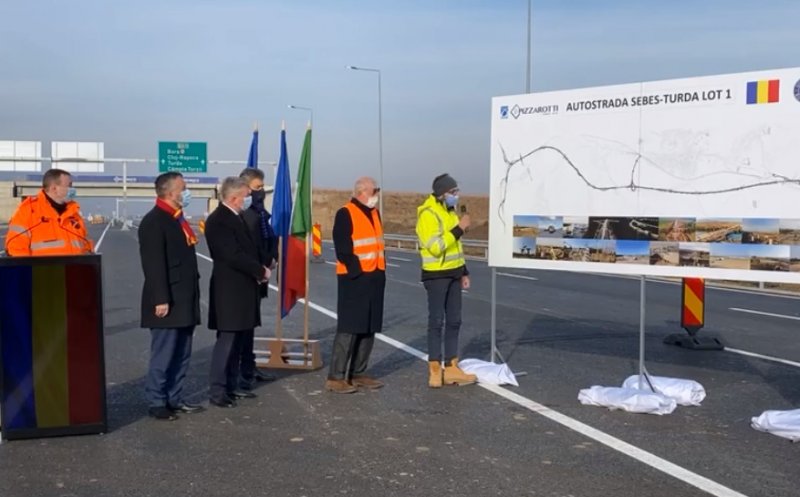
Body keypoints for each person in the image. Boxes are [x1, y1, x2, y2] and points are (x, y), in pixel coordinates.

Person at [138, 172, 204, 420]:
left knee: (181, 354)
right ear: (170, 193)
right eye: (183, 188)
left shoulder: (177, 219)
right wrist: (160, 299)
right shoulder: (155, 221)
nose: (187, 192)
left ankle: (174, 398)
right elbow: (153, 265)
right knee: (164, 354)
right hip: (167, 300)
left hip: (184, 299)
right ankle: (157, 401)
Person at [205, 177, 270, 408]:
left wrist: (264, 263)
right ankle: (218, 390)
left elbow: (247, 249)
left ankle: (232, 386)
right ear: (233, 198)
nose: (246, 200)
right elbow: (232, 254)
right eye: (244, 196)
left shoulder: (237, 217)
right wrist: (259, 269)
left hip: (244, 289)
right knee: (227, 342)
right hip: (230, 291)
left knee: (240, 341)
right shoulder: (219, 221)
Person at [416, 173, 477, 388]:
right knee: (437, 321)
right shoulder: (428, 214)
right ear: (442, 193)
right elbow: (436, 246)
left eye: (456, 191)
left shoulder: (450, 211)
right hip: (436, 275)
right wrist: (460, 228)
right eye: (453, 192)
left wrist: (464, 272)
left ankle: (451, 367)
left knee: (454, 321)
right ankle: (434, 368)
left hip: (453, 273)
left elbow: (456, 249)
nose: (456, 196)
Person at [327, 176, 386, 394]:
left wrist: (379, 272)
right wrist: (357, 271)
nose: (376, 195)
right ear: (362, 192)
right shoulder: (346, 213)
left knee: (369, 327)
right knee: (349, 328)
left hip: (375, 277)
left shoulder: (374, 213)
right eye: (374, 191)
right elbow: (342, 247)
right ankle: (336, 377)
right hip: (355, 279)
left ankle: (359, 373)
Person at [237, 167, 279, 389]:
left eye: (262, 187)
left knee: (250, 326)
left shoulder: (261, 213)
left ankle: (249, 367)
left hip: (261, 274)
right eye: (257, 188)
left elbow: (268, 239)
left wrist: (273, 257)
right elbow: (249, 248)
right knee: (242, 328)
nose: (261, 192)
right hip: (250, 277)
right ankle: (242, 371)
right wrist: (261, 265)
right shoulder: (246, 216)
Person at [4, 168, 93, 256]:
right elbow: (16, 251)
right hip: (41, 270)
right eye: (69, 185)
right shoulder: (28, 212)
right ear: (54, 189)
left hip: (74, 270)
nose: (73, 189)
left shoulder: (74, 215)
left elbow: (87, 248)